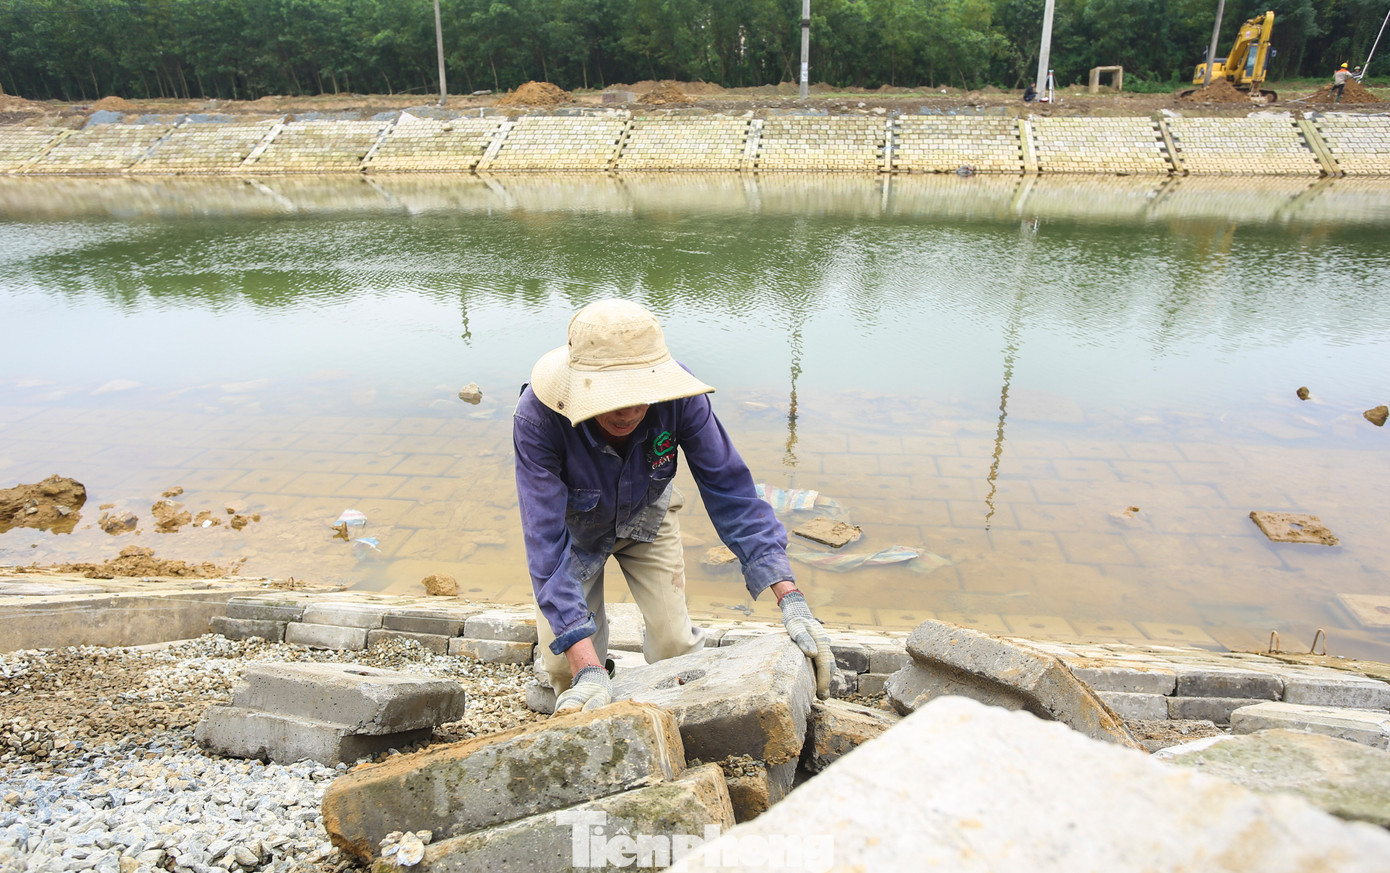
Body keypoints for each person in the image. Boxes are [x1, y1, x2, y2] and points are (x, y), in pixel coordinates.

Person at [514, 299, 834, 713]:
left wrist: (790, 598)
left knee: (676, 647)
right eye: (613, 399)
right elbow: (542, 538)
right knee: (564, 664)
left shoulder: (682, 398)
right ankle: (580, 691)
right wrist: (585, 664)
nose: (629, 412)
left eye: (640, 396)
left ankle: (676, 726)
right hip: (573, 533)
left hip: (648, 513)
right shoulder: (539, 417)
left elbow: (730, 489)